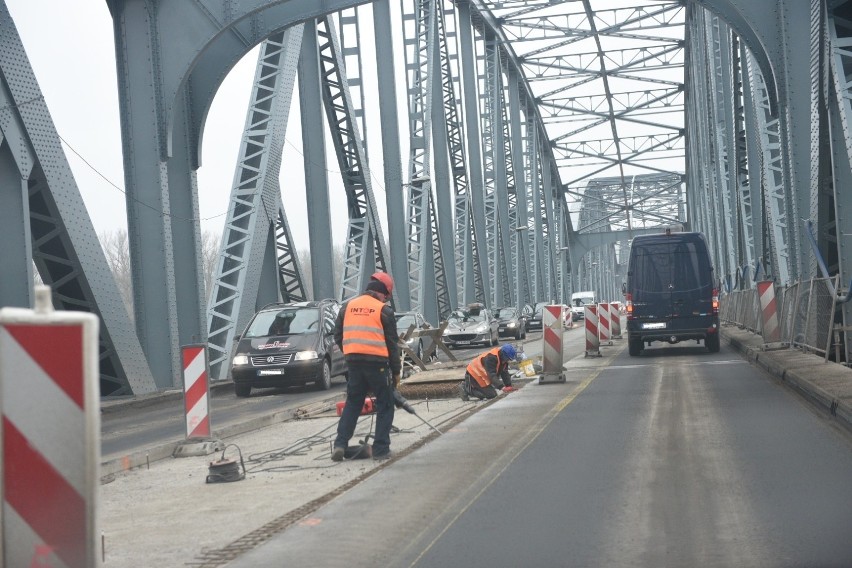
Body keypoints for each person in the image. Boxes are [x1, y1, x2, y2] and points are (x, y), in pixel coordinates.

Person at [331, 271, 401, 461]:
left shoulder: (347, 307)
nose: (385, 301)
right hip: (378, 364)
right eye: (386, 297)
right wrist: (396, 372)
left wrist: (351, 354)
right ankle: (380, 449)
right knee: (385, 404)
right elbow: (392, 345)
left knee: (353, 403)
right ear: (382, 293)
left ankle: (340, 444)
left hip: (353, 363)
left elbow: (338, 336)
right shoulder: (384, 311)